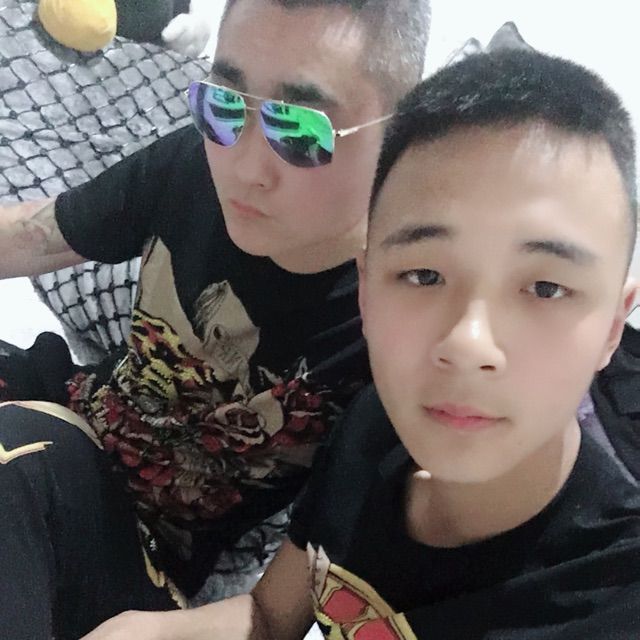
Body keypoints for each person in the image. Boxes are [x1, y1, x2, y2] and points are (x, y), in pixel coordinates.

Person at [85, 47, 640, 639]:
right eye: (424, 275)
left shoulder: (610, 596)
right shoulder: (376, 425)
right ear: (367, 292)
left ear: (613, 325)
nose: (468, 344)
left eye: (546, 288)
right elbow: (272, 615)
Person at [0, 1, 431, 637]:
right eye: (223, 105)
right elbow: (40, 237)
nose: (245, 168)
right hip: (74, 413)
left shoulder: (397, 335)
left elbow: (279, 611)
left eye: (298, 130)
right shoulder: (195, 164)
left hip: (148, 550)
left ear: (400, 133)